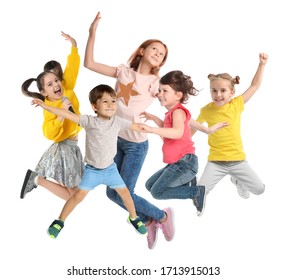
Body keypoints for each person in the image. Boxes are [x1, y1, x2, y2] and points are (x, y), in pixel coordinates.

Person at [84, 11, 173, 249]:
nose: (158, 54)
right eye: (155, 49)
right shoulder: (123, 71)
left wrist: (163, 118)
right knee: (114, 193)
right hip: (115, 140)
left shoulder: (155, 83)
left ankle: (161, 216)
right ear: (142, 51)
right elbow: (89, 64)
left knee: (119, 193)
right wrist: (92, 33)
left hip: (135, 145)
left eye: (162, 54)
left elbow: (171, 101)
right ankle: (150, 219)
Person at [32, 84, 147, 238]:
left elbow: (136, 126)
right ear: (95, 106)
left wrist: (154, 129)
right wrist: (46, 106)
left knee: (126, 193)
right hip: (92, 171)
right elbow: (66, 114)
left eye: (113, 101)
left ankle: (133, 217)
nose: (110, 105)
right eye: (105, 102)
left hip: (110, 170)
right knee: (77, 197)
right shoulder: (88, 121)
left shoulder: (117, 121)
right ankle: (59, 221)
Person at [139, 71, 228, 216]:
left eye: (164, 91)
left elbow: (177, 133)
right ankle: (190, 182)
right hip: (178, 164)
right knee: (150, 185)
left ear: (178, 95)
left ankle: (196, 192)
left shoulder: (178, 113)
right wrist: (154, 118)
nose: (159, 94)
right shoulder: (173, 113)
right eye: (160, 90)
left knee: (157, 192)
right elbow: (173, 130)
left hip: (184, 164)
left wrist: (152, 130)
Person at [192, 53, 268, 200]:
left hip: (238, 161)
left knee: (260, 189)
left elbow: (254, 86)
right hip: (215, 162)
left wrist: (262, 64)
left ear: (232, 92)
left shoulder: (236, 104)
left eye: (223, 90)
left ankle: (238, 181)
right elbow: (193, 128)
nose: (218, 94)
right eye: (214, 90)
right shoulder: (206, 110)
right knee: (199, 193)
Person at [20, 32, 83, 201]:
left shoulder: (67, 88)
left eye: (56, 80)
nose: (56, 85)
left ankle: (36, 179)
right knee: (76, 197)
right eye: (50, 84)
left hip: (73, 148)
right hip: (63, 150)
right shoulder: (49, 107)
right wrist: (61, 114)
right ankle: (36, 179)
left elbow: (72, 68)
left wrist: (74, 46)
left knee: (74, 197)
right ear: (43, 92)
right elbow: (48, 133)